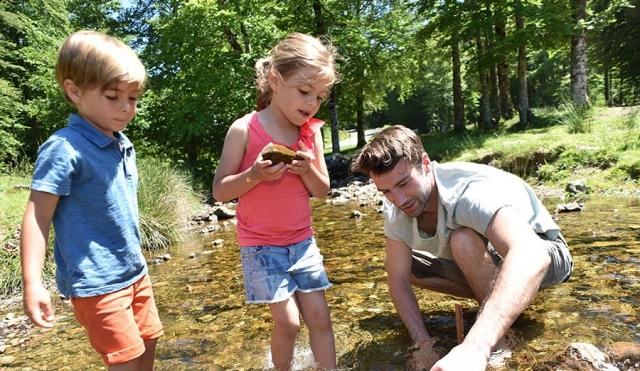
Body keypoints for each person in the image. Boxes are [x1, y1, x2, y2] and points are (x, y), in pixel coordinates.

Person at [350, 125, 573, 371]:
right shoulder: (395, 206)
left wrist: (476, 346)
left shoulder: (469, 193)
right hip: (495, 257)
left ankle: (499, 334)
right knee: (402, 266)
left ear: (425, 163)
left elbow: (532, 254)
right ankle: (501, 305)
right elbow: (398, 279)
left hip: (547, 251)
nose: (399, 200)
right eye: (387, 192)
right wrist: (423, 344)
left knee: (462, 239)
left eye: (404, 183)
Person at [20, 30, 163, 371]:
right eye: (114, 96)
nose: (127, 108)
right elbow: (37, 216)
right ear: (74, 90)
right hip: (97, 281)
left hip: (135, 271)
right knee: (124, 360)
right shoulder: (64, 148)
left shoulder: (121, 142)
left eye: (133, 97)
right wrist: (32, 283)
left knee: (149, 344)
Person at [212, 33, 338, 370]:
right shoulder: (244, 129)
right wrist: (254, 175)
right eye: (304, 91)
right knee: (289, 322)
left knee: (321, 319)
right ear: (275, 80)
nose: (312, 103)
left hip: (303, 243)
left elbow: (322, 190)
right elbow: (220, 190)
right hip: (260, 247)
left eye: (320, 96)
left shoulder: (310, 133)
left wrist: (307, 170)